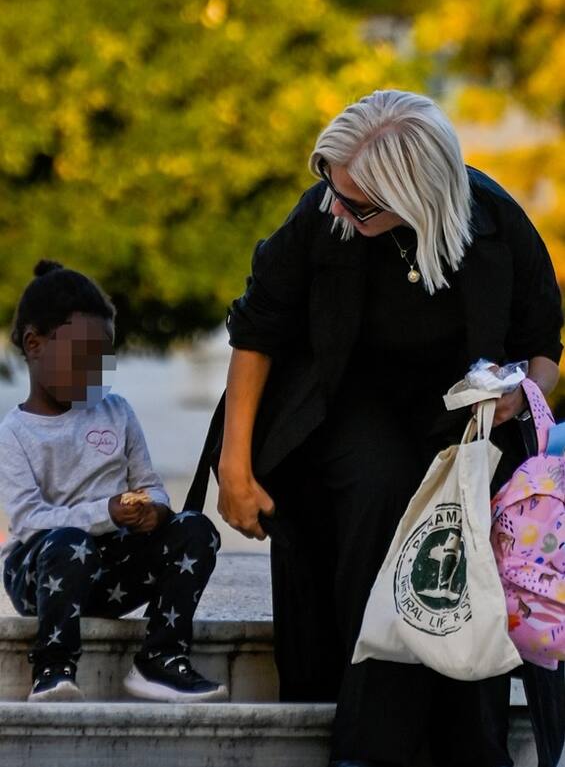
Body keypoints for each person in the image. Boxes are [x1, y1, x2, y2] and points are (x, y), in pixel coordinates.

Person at [186, 90, 565, 767]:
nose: (336, 206)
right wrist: (234, 467)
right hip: (336, 406)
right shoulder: (321, 216)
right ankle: (369, 747)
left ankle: (463, 742)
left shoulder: (496, 223)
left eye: (356, 202)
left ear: (415, 196)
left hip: (462, 420)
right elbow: (256, 329)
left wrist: (521, 394)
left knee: (456, 534)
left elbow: (542, 343)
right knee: (383, 494)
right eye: (329, 187)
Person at [0, 260, 227, 704]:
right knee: (68, 542)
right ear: (35, 345)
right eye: (81, 358)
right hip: (43, 571)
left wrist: (154, 510)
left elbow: (151, 485)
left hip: (110, 570)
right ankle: (53, 668)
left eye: (102, 360)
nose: (94, 373)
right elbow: (29, 522)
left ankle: (161, 659)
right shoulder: (15, 432)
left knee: (195, 528)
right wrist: (105, 514)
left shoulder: (116, 411)